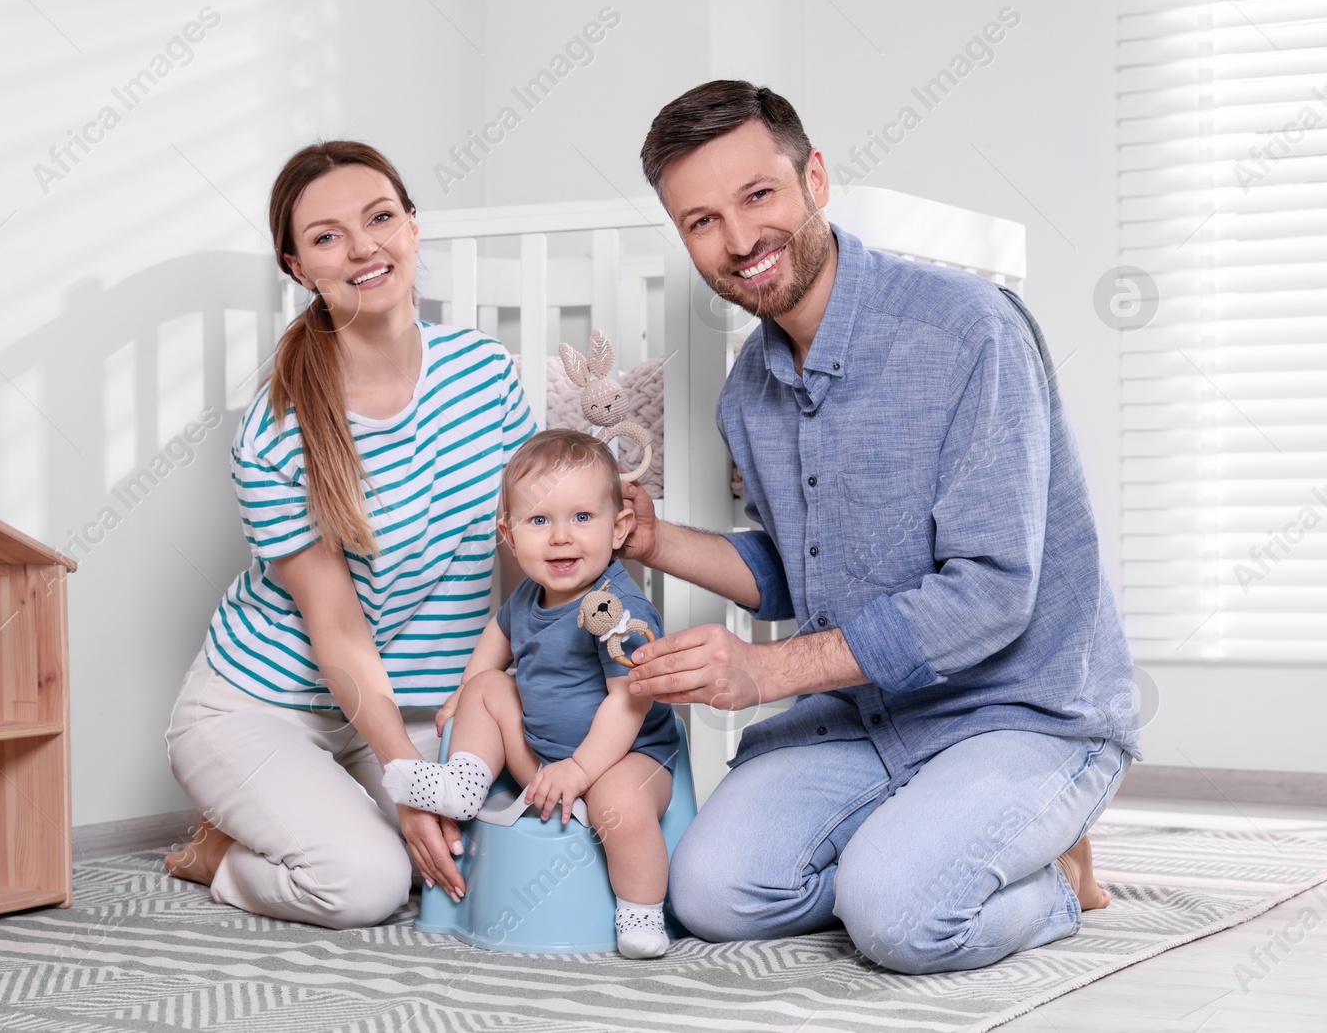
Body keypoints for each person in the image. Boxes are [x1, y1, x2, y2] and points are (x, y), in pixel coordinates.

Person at [618, 80, 1141, 974]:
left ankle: (1055, 873)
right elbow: (804, 572)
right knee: (709, 894)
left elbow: (989, 597)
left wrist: (764, 669)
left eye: (757, 195)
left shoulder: (971, 331)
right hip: (870, 715)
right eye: (701, 221)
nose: (739, 241)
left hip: (1025, 710)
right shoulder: (749, 393)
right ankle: (923, 850)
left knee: (898, 919)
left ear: (814, 177)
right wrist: (652, 537)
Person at [163, 140, 535, 927]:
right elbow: (335, 631)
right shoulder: (273, 432)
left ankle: (331, 808)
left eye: (380, 218)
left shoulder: (487, 375)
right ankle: (219, 854)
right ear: (298, 267)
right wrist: (406, 781)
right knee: (368, 884)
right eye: (329, 236)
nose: (364, 247)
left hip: (410, 704)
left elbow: (525, 552)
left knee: (493, 854)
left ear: (412, 228)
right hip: (263, 704)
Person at [382, 430, 681, 958]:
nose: (560, 537)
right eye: (539, 520)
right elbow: (495, 640)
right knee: (486, 686)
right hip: (542, 764)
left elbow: (627, 702)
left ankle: (641, 909)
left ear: (620, 529)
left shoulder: (619, 609)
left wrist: (583, 770)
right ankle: (464, 782)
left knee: (622, 807)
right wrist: (463, 699)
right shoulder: (526, 597)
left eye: (582, 518)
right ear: (510, 535)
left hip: (625, 758)